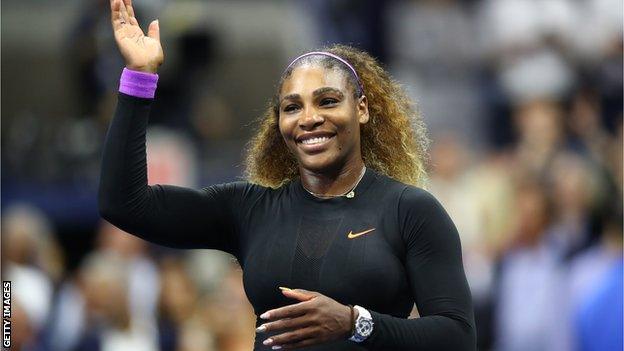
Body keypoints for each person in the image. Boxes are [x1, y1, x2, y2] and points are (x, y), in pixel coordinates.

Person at [98, 0, 476, 349]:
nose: (309, 118)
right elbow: (124, 204)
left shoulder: (410, 210)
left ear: (361, 109)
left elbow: (457, 336)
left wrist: (354, 322)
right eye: (292, 107)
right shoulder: (250, 209)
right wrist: (139, 77)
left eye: (328, 101)